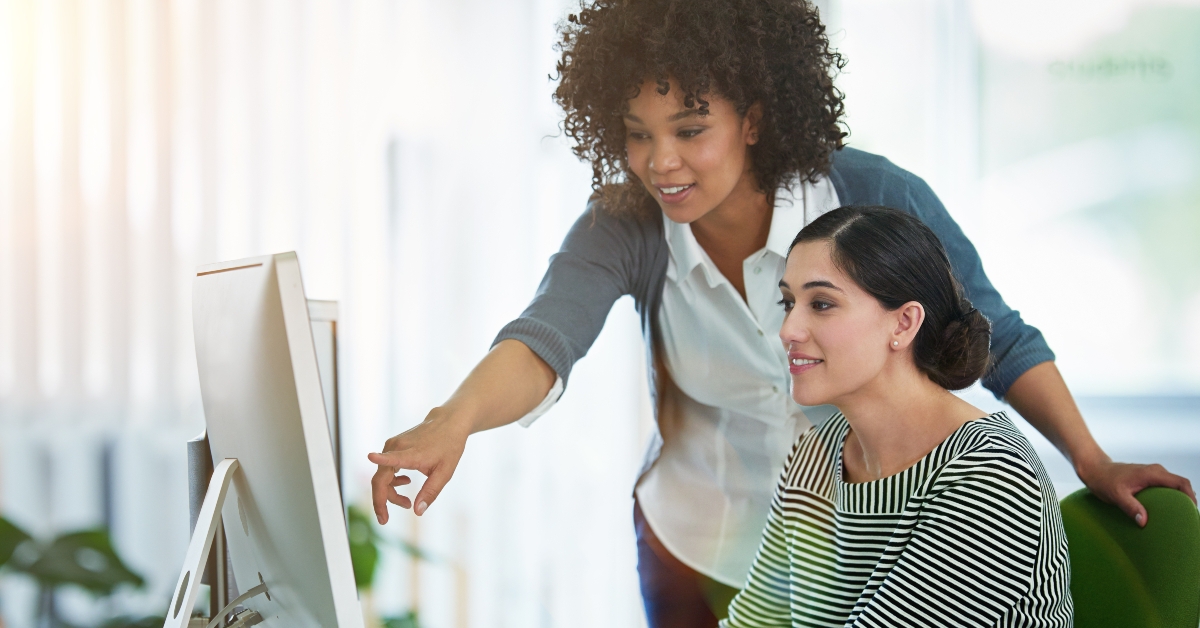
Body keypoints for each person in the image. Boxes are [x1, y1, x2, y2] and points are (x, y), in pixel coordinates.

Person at [367, 0, 1193, 626]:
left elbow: (997, 333)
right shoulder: (625, 225)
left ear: (754, 116)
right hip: (705, 539)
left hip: (874, 538)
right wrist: (454, 423)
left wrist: (1089, 458)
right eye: (636, 133)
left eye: (690, 129)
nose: (661, 162)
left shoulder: (871, 199)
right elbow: (546, 336)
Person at [721, 205, 1072, 628]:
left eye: (822, 303)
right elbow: (755, 621)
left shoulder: (987, 477)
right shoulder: (816, 455)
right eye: (789, 302)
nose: (788, 330)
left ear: (904, 323)